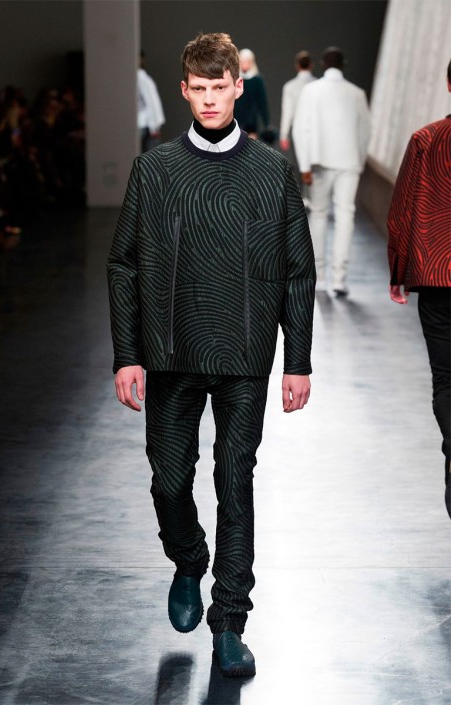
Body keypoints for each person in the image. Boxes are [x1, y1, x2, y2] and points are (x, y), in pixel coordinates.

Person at [107, 32, 315, 678]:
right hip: (171, 350)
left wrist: (298, 360)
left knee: (234, 482)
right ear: (184, 90)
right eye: (198, 89)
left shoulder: (272, 171)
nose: (208, 99)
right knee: (169, 481)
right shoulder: (155, 170)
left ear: (236, 87)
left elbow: (298, 270)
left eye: (218, 87)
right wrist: (127, 353)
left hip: (245, 353)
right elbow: (123, 265)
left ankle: (229, 623)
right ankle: (188, 558)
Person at [387, 60, 451, 519]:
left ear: (448, 83)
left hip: (437, 275)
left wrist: (398, 271)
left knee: (446, 377)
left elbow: (402, 209)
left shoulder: (426, 140)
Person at [294, 47, 371, 295]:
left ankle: (319, 276)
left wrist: (304, 165)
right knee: (345, 216)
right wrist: (359, 161)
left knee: (318, 215)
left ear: (322, 64)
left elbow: (301, 128)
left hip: (320, 162)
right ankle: (339, 279)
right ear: (343, 64)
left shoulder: (311, 91)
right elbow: (365, 131)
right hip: (349, 162)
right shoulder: (357, 94)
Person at [279, 50, 315, 153]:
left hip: (299, 130)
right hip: (317, 129)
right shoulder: (319, 85)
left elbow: (287, 112)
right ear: (311, 65)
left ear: (297, 66)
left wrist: (284, 135)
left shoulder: (290, 86)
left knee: (300, 162)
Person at [233, 48, 270, 139]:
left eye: (247, 61)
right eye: (242, 61)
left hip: (251, 121)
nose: (245, 64)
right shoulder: (234, 79)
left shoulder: (257, 80)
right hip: (236, 119)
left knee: (251, 145)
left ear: (251, 62)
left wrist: (267, 123)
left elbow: (262, 103)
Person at [138, 51, 165, 152]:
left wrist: (154, 126)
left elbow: (152, 102)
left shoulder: (141, 77)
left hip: (145, 123)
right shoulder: (140, 77)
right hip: (145, 123)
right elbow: (151, 102)